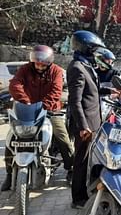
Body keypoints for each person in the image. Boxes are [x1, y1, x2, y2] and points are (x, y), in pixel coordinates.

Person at [1, 45, 75, 191]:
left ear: (49, 62)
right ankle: (10, 174)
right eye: (37, 63)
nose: (39, 66)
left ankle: (71, 169)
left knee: (62, 138)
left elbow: (56, 90)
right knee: (12, 138)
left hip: (49, 110)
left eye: (43, 63)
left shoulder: (56, 71)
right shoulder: (25, 69)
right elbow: (14, 84)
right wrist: (25, 101)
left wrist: (44, 105)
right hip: (27, 110)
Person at [67, 30, 107, 209]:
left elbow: (92, 92)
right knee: (81, 162)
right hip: (85, 125)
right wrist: (83, 126)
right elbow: (75, 101)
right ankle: (78, 198)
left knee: (88, 159)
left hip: (93, 122)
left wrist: (110, 91)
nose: (96, 53)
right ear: (85, 49)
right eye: (93, 50)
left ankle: (86, 190)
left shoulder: (86, 65)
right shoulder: (77, 67)